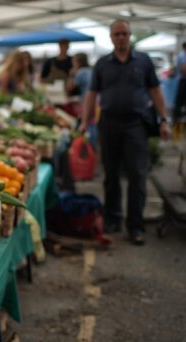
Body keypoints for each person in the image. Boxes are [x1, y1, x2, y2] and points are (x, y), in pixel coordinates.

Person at [79, 19, 170, 245]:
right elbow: (91, 94)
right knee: (111, 176)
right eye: (117, 34)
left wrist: (164, 119)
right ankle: (112, 219)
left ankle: (135, 227)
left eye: (125, 34)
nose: (121, 37)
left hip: (136, 125)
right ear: (111, 37)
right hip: (109, 124)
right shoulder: (102, 64)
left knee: (138, 176)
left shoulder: (144, 61)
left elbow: (155, 90)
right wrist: (84, 120)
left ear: (130, 36)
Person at [174, 42, 186, 122]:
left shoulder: (182, 55)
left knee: (181, 99)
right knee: (181, 100)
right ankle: (178, 118)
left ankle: (178, 117)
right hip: (183, 80)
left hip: (183, 80)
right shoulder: (183, 55)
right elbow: (184, 69)